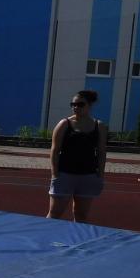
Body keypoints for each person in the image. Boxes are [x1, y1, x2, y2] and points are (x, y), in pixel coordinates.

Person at [48, 90, 108, 223]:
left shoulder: (99, 126)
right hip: (65, 174)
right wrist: (55, 174)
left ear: (89, 105)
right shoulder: (64, 124)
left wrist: (100, 175)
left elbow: (101, 152)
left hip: (88, 175)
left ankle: (78, 237)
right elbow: (55, 150)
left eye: (80, 104)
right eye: (73, 104)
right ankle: (45, 236)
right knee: (55, 213)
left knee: (81, 215)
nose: (76, 107)